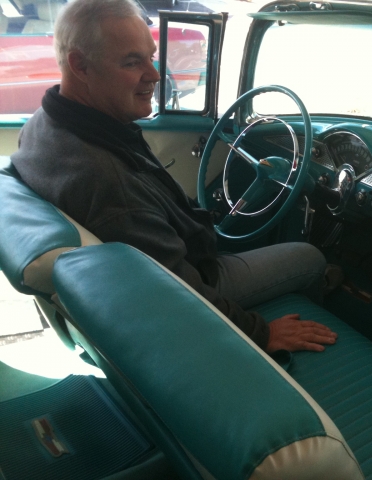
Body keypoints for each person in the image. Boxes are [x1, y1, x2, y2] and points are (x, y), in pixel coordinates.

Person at [11, 0, 337, 354]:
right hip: (198, 277)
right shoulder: (106, 182)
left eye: (150, 56)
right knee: (309, 257)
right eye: (132, 62)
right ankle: (332, 345)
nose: (153, 74)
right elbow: (177, 291)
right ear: (80, 65)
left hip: (154, 264)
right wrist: (262, 334)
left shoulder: (45, 124)